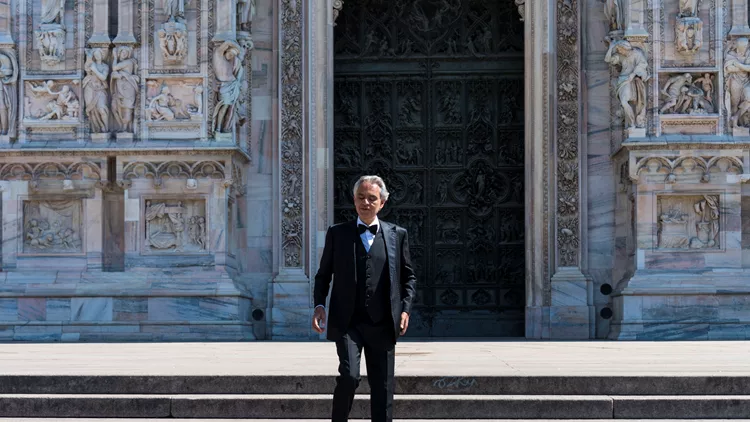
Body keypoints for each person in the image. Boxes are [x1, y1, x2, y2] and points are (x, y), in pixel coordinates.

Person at [313, 175, 417, 422]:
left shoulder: (397, 234)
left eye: (372, 198)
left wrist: (405, 309)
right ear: (354, 200)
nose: (366, 203)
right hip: (348, 322)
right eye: (361, 197)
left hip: (382, 323)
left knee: (382, 388)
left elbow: (409, 278)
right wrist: (319, 305)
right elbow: (323, 274)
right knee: (349, 376)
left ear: (382, 203)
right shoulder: (337, 233)